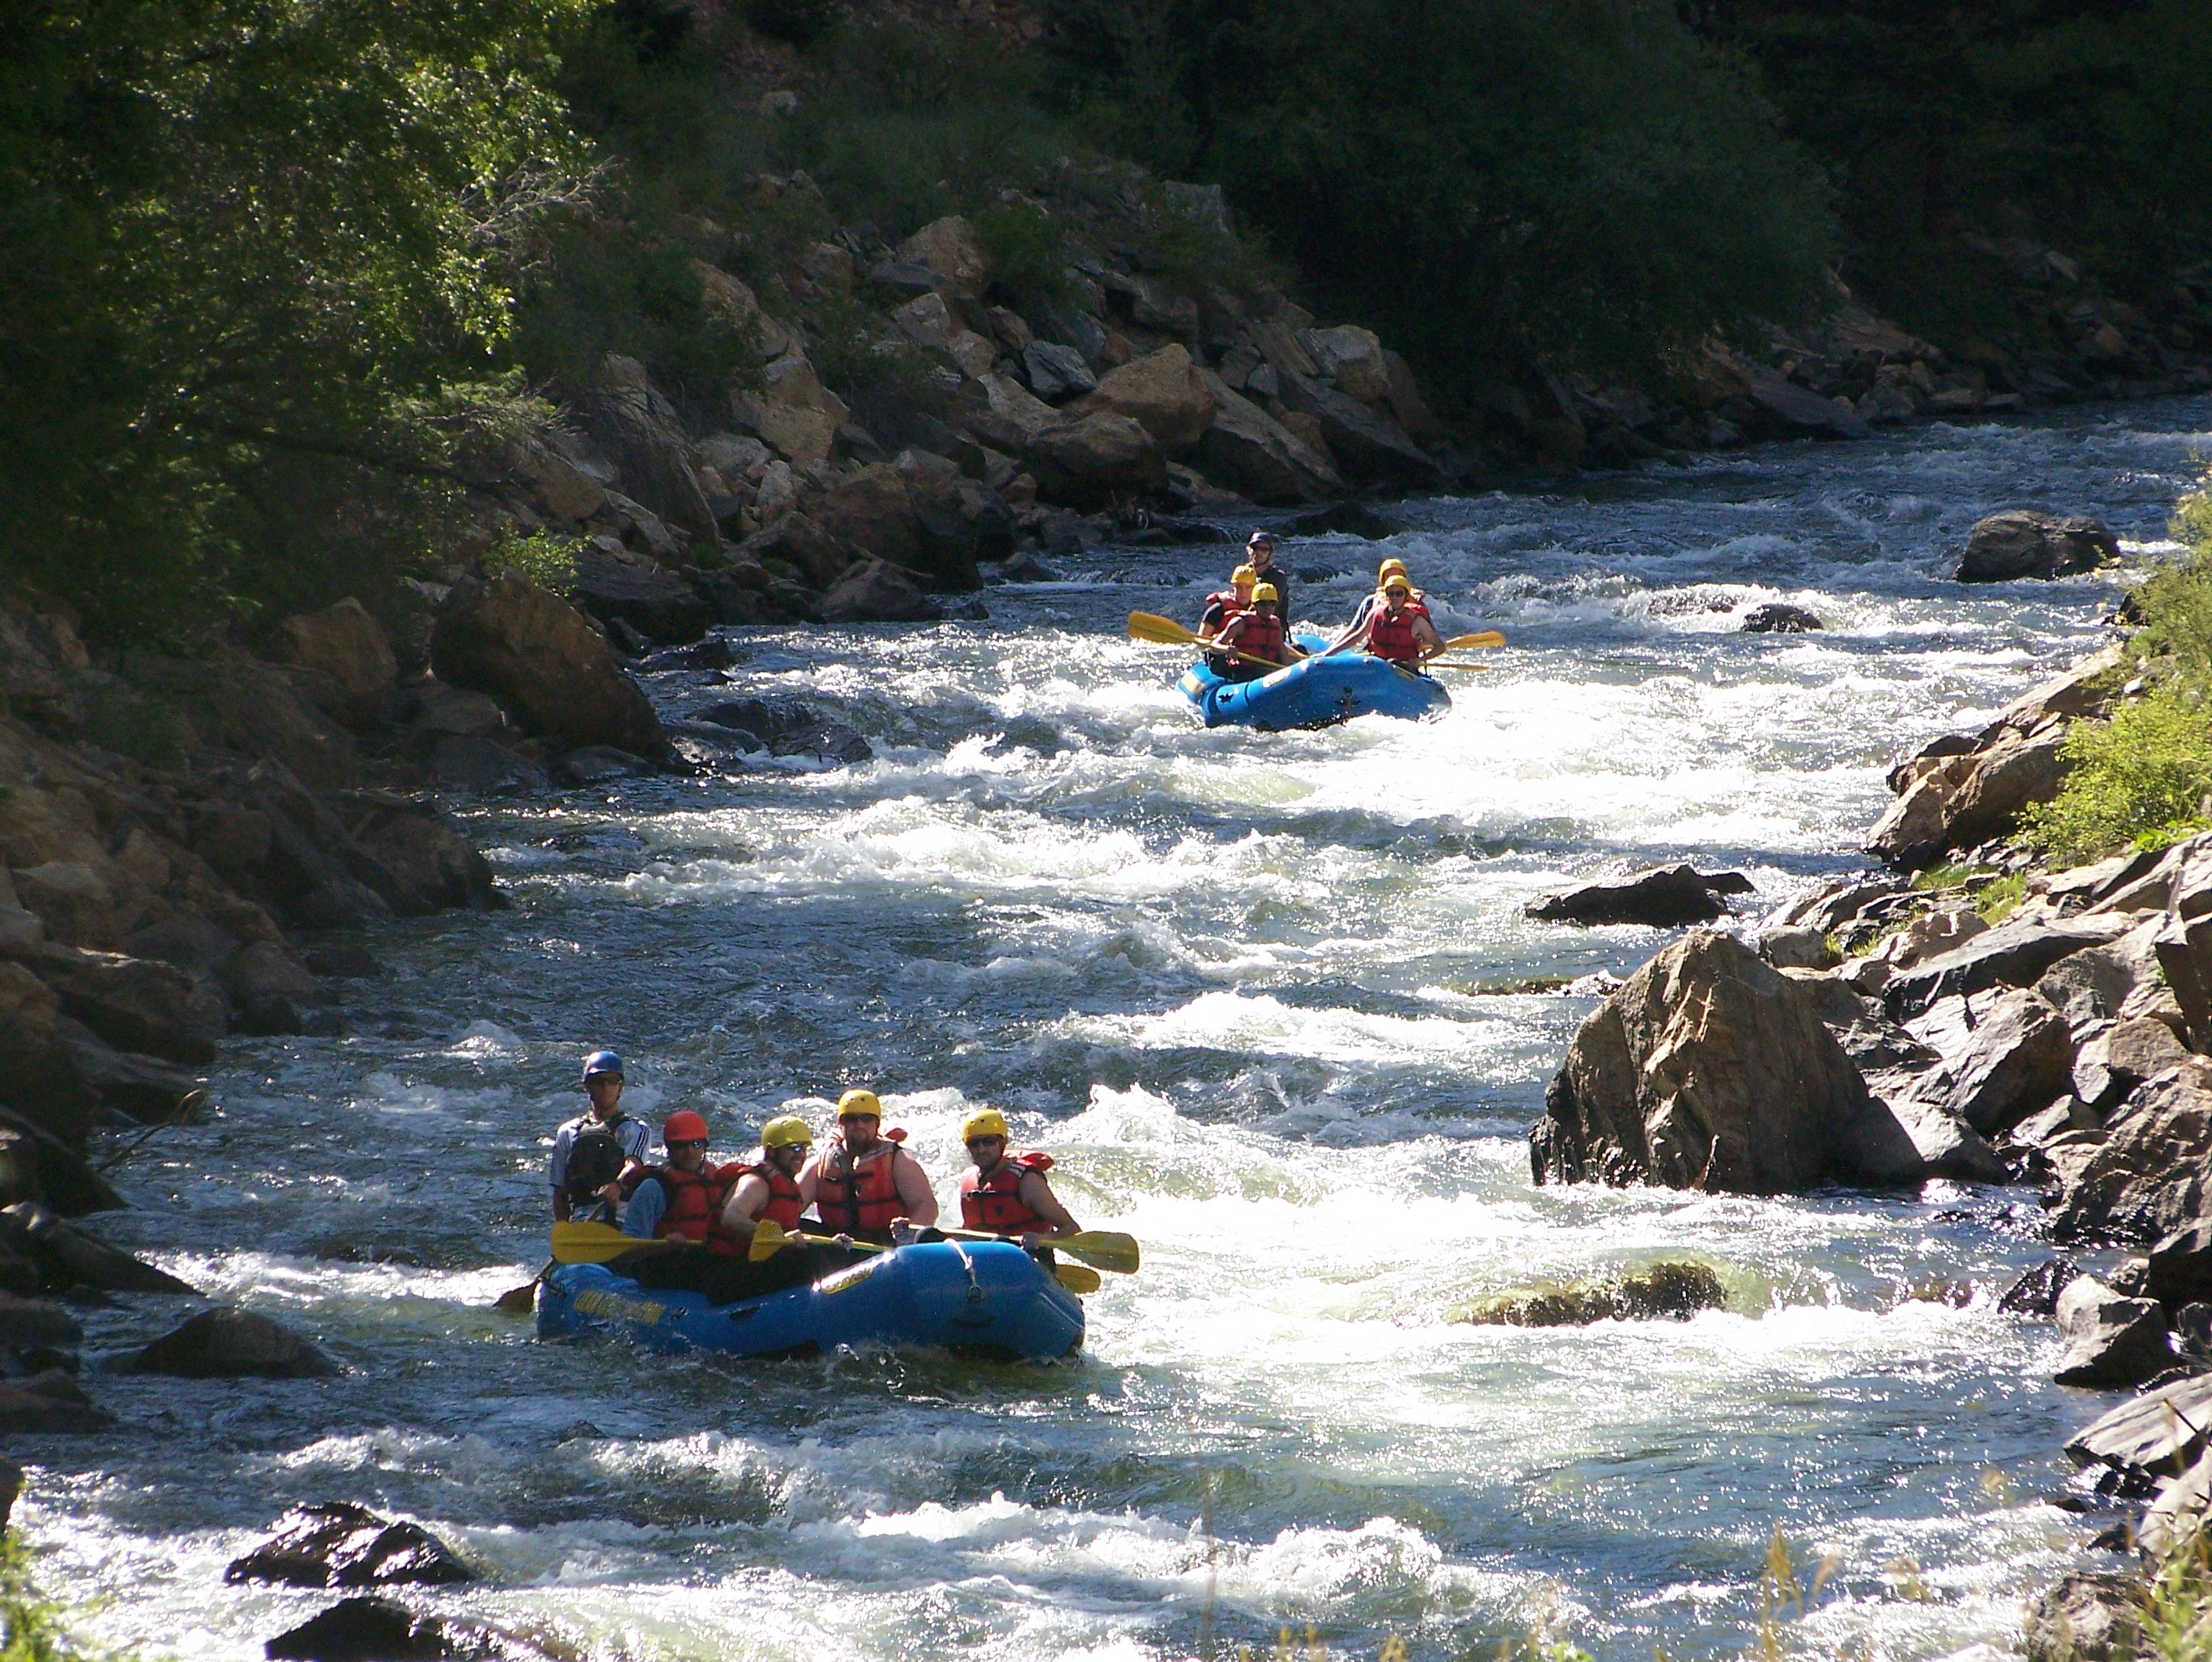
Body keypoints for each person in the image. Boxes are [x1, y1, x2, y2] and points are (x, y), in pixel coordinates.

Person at [806, 1089, 939, 1244]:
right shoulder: (819, 1164)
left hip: (885, 1245)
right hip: (837, 1245)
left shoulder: (898, 1160)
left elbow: (927, 1206)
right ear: (840, 1124)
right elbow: (793, 1204)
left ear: (877, 1124)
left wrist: (909, 1235)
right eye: (850, 1119)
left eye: (867, 1119)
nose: (859, 1125)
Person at [549, 1050, 651, 1223]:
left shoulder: (636, 1129)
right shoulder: (567, 1132)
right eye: (598, 1081)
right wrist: (562, 1231)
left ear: (620, 1085)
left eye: (612, 1081)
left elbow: (634, 1164)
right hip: (582, 1223)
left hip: (623, 1222)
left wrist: (617, 1185)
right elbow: (560, 1192)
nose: (605, 1087)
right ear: (586, 1085)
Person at [956, 1109, 1080, 1247]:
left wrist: (1041, 1238)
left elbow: (1071, 1228)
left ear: (1003, 1142)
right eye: (973, 1143)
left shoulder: (1027, 1181)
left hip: (1028, 1260)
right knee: (930, 1233)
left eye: (989, 1142)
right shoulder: (969, 1180)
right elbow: (970, 1231)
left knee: (1000, 1243)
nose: (981, 1150)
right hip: (982, 1260)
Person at [622, 1110, 743, 1250]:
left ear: (705, 1147)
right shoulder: (653, 1187)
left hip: (711, 1261)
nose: (690, 1152)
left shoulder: (716, 1179)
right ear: (668, 1148)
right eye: (680, 1146)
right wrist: (662, 1245)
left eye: (696, 1144)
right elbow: (628, 1250)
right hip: (668, 1265)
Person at [719, 1115, 816, 1247]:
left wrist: (833, 1243)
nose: (800, 1154)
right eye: (793, 1148)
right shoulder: (756, 1183)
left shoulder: (788, 1184)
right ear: (771, 1152)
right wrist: (776, 1236)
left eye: (803, 1148)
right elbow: (731, 1218)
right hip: (738, 1262)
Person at [1340, 572, 1444, 665]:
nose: (1394, 597)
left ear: (1406, 597)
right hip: (1378, 665)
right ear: (1386, 596)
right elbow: (1357, 636)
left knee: (1392, 662)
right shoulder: (1376, 613)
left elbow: (1440, 647)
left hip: (1404, 668)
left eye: (1399, 594)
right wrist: (1328, 654)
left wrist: (1420, 660)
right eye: (1391, 594)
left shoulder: (1416, 621)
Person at [1211, 583, 1303, 680]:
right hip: (1243, 670)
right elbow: (1214, 644)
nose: (1267, 608)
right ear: (1254, 605)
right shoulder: (1240, 622)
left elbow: (1283, 653)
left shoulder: (1276, 625)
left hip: (1267, 670)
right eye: (1263, 604)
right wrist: (1226, 649)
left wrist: (1296, 668)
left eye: (1271, 604)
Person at [1197, 564, 1258, 645]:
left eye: (1248, 587)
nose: (1243, 592)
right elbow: (1201, 641)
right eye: (1239, 587)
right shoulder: (1217, 610)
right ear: (1233, 587)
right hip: (1219, 654)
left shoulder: (1261, 609)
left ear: (1255, 588)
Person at [1243, 532, 1290, 622]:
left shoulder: (1278, 578)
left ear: (1269, 553)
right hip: (1247, 621)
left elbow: (1267, 610)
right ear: (1249, 550)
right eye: (1255, 548)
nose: (1259, 552)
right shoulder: (1244, 572)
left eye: (1264, 549)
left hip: (1272, 627)